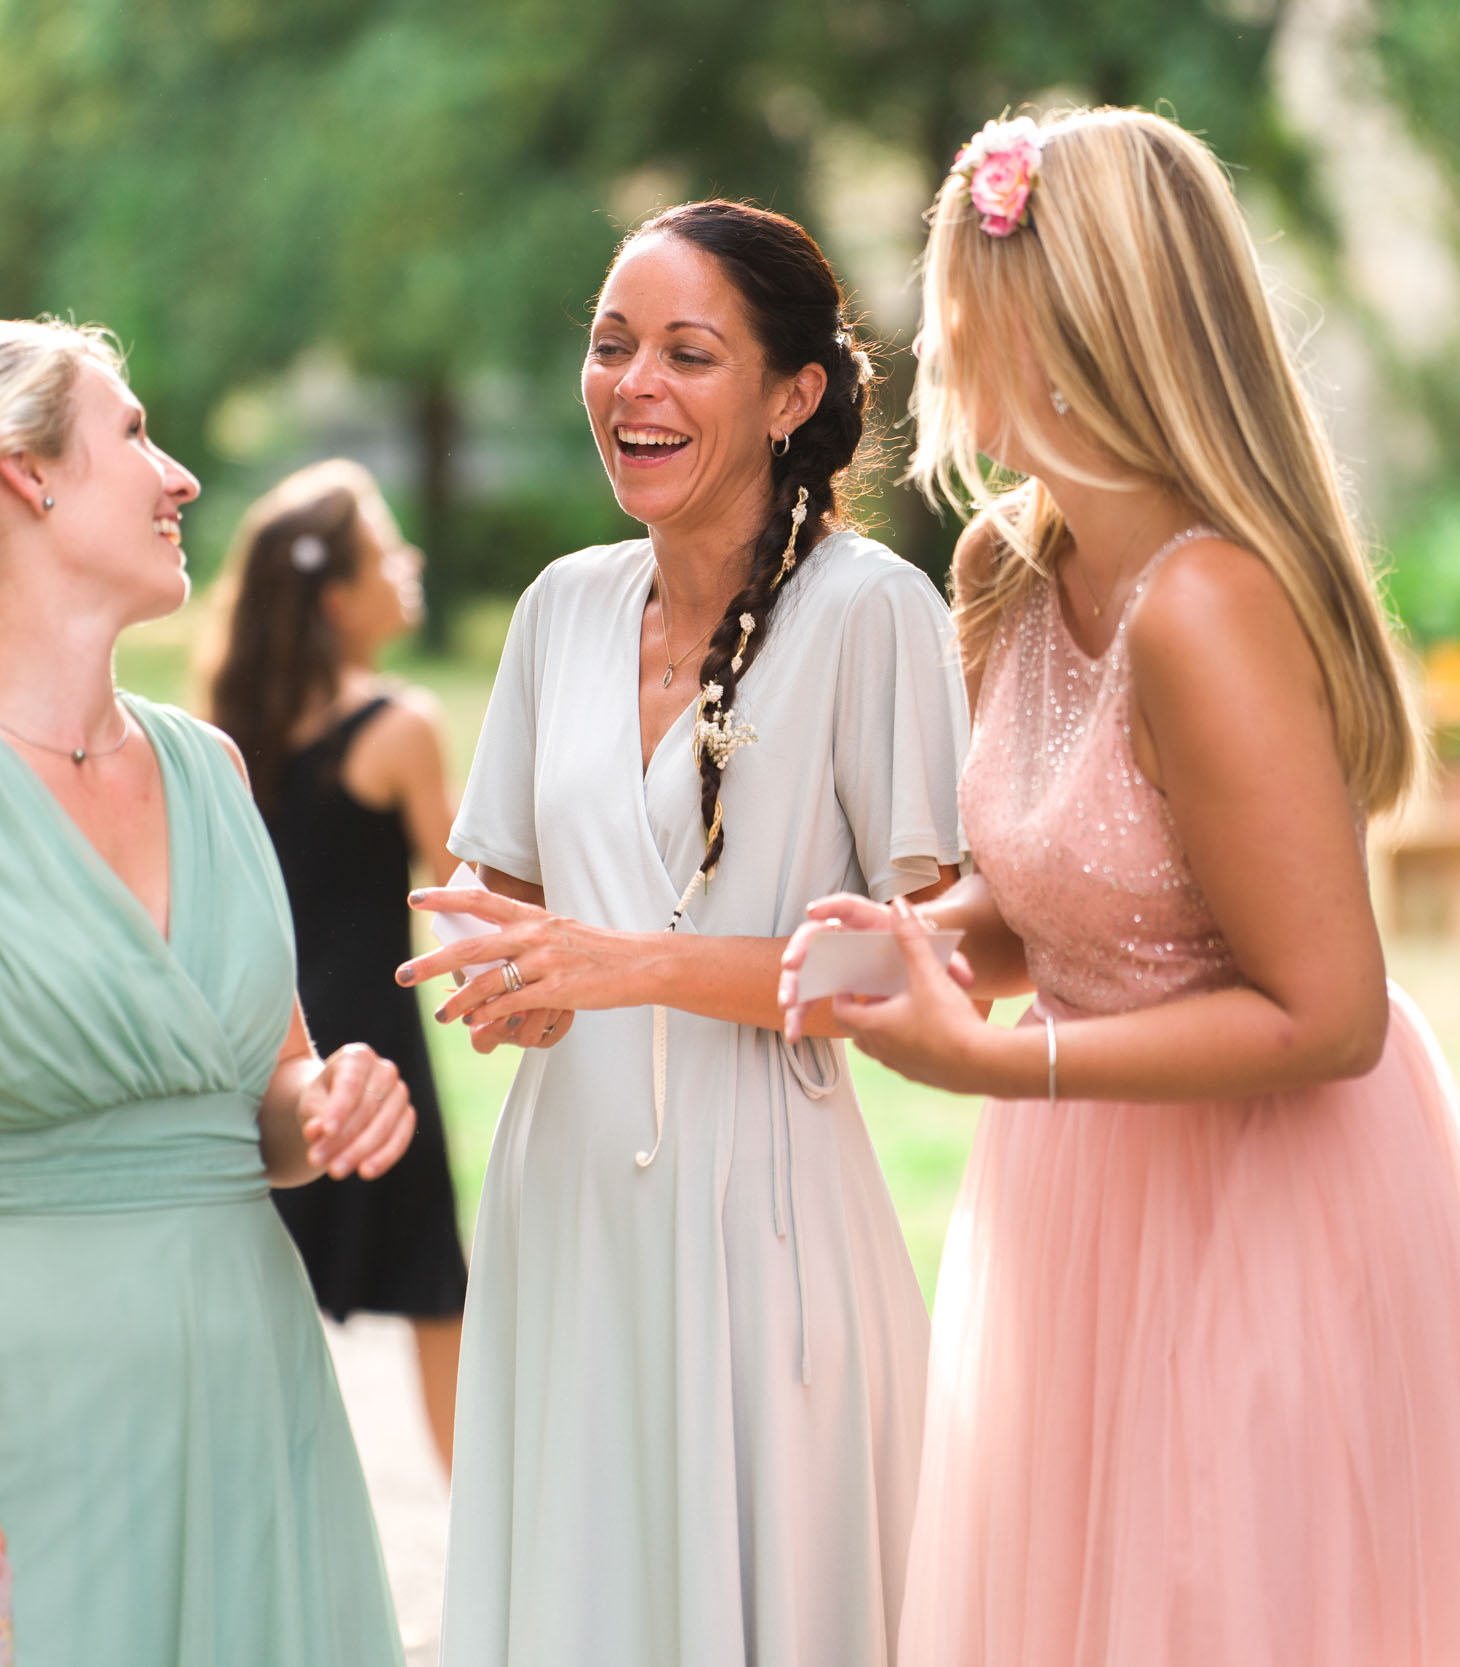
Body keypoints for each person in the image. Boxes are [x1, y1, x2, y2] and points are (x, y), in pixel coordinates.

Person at [780, 110, 1460, 1665]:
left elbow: (1328, 1012)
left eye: (966, 293)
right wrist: (927, 938)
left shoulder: (1207, 609)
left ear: (1072, 326)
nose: (937, 333)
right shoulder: (1009, 564)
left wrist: (1002, 1057)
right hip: (1088, 1199)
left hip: (1273, 1194)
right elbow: (1073, 897)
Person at [0, 319, 412, 1662]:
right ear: (24, 476)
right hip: (23, 1406)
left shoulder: (214, 771)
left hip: (255, 1382)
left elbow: (263, 1104)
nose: (181, 479)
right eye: (135, 436)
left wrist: (328, 1094)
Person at [394, 201, 971, 1667]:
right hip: (564, 1208)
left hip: (762, 1220)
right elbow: (507, 907)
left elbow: (921, 965)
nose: (632, 385)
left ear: (791, 395)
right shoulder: (557, 611)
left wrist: (639, 966)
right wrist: (504, 981)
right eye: (610, 346)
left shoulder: (870, 613)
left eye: (686, 353)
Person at [203, 458, 470, 1475]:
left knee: (265, 1306)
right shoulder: (398, 727)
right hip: (374, 1048)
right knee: (437, 1296)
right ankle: (480, 1549)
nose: (410, 562)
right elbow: (458, 890)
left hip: (262, 1047)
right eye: (386, 549)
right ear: (335, 595)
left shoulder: (229, 732)